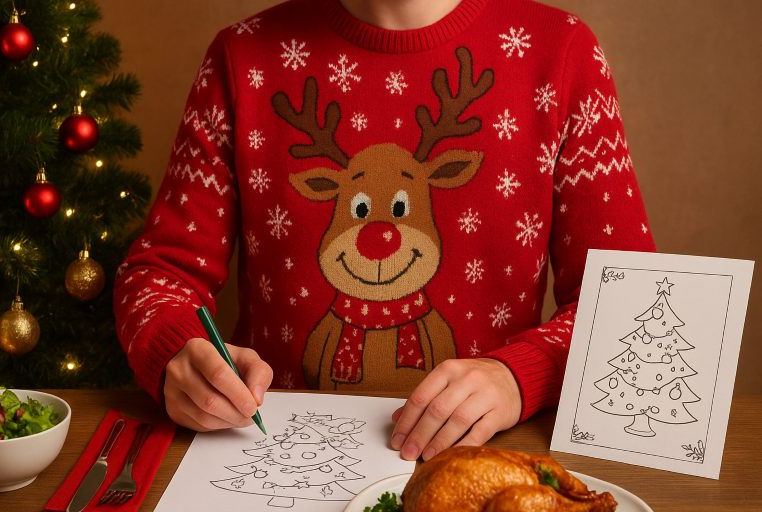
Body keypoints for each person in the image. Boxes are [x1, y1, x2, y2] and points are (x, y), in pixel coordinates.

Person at [113, 0, 655, 461]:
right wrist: (173, 348)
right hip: (279, 455)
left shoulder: (561, 52)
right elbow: (159, 274)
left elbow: (629, 305)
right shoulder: (241, 57)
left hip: (487, 461)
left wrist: (521, 376)